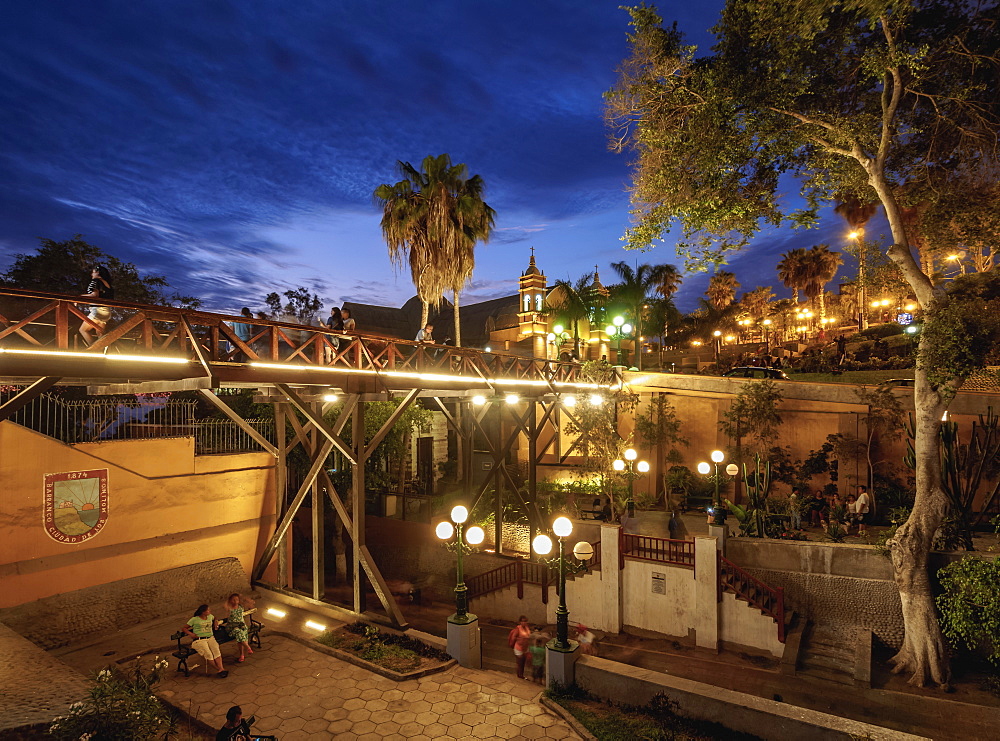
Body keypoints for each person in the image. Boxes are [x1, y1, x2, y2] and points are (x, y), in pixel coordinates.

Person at [184, 604, 228, 677]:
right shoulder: (194, 619)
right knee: (208, 654)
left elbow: (215, 618)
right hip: (200, 640)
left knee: (216, 651)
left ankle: (221, 668)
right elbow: (184, 628)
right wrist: (191, 634)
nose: (209, 611)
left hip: (210, 637)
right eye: (208, 610)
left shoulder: (210, 616)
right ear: (203, 612)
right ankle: (219, 669)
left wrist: (215, 621)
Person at [79, 266, 114, 346]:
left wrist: (80, 297)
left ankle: (95, 350)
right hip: (107, 312)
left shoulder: (95, 281)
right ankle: (103, 351)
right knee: (100, 333)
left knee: (83, 330)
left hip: (97, 310)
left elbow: (94, 295)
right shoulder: (108, 284)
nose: (91, 274)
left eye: (93, 272)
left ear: (98, 273)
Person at [223, 593, 254, 662]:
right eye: (233, 600)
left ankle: (242, 655)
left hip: (241, 625)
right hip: (232, 627)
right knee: (238, 632)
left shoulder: (241, 606)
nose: (235, 601)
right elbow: (225, 605)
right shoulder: (230, 608)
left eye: (236, 599)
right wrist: (228, 599)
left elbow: (251, 602)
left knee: (240, 637)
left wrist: (242, 597)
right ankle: (248, 647)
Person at [507, 615, 532, 680]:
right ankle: (520, 675)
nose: (524, 623)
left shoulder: (527, 628)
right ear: (520, 622)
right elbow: (513, 638)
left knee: (523, 662)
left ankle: (521, 675)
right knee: (520, 662)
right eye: (523, 621)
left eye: (525, 621)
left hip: (525, 648)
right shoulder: (518, 629)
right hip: (518, 648)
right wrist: (512, 646)